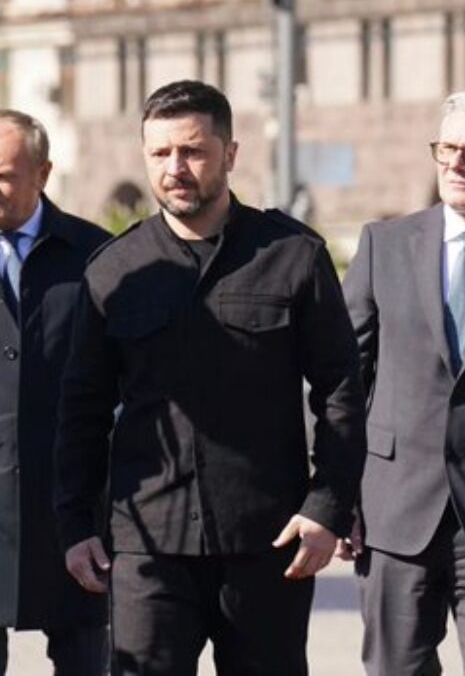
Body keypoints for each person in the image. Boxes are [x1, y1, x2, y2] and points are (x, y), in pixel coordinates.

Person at [53, 80, 367, 675]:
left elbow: (340, 392)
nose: (175, 168)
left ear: (230, 153)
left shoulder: (292, 256)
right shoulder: (115, 271)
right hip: (147, 546)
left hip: (268, 542)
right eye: (160, 153)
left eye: (193, 151)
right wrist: (75, 525)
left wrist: (327, 506)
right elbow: (82, 411)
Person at [340, 86, 465, 675]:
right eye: (446, 149)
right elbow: (341, 380)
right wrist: (337, 492)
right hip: (393, 509)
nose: (456, 164)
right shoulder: (384, 245)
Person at [0, 111, 110, 673]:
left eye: (3, 175)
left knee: (85, 660)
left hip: (73, 511)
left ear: (43, 173)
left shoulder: (97, 256)